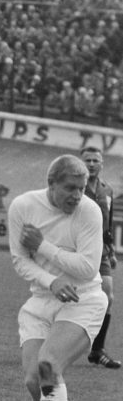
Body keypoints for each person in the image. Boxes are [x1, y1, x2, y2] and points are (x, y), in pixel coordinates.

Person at [9, 154, 106, 401]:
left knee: (49, 366)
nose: (77, 195)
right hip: (41, 301)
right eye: (70, 188)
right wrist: (50, 282)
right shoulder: (23, 206)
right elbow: (19, 260)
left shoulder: (89, 211)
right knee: (36, 382)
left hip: (84, 300)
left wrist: (44, 246)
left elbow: (87, 269)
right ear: (50, 184)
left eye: (81, 188)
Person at [80, 146, 121, 369]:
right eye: (88, 160)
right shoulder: (75, 187)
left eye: (96, 160)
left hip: (101, 251)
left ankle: (97, 350)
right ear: (80, 163)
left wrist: (111, 250)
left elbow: (109, 221)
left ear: (102, 164)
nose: (92, 164)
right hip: (77, 249)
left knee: (108, 296)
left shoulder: (107, 190)